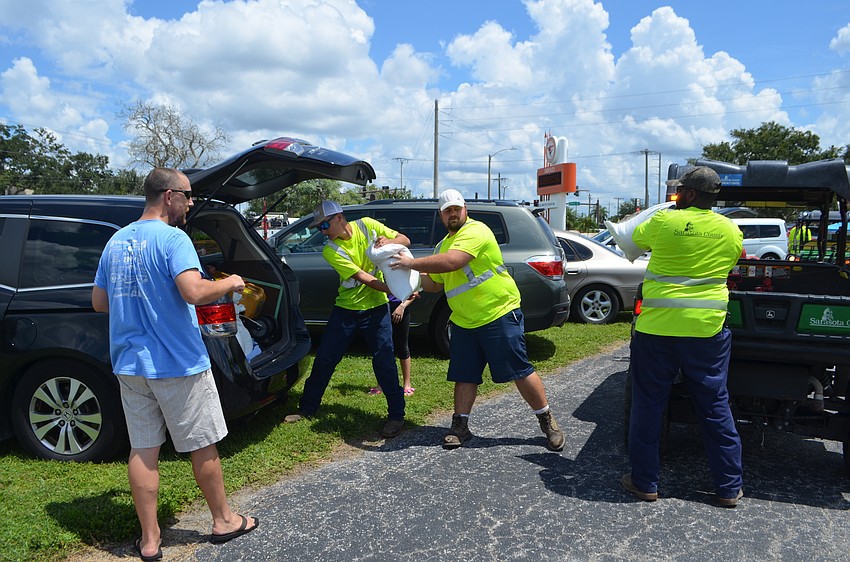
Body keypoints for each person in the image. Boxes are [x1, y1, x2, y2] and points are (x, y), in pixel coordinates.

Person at [92, 168, 258, 561]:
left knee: (143, 448)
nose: (191, 202)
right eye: (187, 195)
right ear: (169, 196)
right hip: (178, 363)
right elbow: (194, 291)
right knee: (202, 443)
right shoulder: (174, 239)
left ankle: (149, 541)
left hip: (130, 365)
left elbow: (100, 302)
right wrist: (231, 282)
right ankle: (224, 521)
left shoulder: (115, 241)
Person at [390, 189, 565, 451]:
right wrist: (400, 279)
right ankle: (460, 426)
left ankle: (547, 420)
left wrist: (411, 262)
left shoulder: (476, 231)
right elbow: (435, 284)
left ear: (465, 209)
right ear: (441, 215)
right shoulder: (441, 246)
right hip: (463, 321)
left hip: (498, 312)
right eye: (447, 210)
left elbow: (453, 262)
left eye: (456, 209)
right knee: (464, 374)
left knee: (519, 370)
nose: (453, 214)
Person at [622, 166, 744, 507]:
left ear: (689, 194)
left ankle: (645, 482)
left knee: (648, 404)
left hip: (657, 330)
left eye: (680, 191)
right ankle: (729, 488)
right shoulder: (731, 230)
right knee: (714, 404)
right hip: (706, 330)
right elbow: (730, 265)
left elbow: (633, 241)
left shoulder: (664, 221)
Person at [283, 200, 409, 438]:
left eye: (324, 224)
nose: (322, 231)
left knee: (384, 361)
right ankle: (307, 408)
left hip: (376, 309)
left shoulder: (368, 225)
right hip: (347, 310)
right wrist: (396, 290)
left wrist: (388, 242)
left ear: (339, 217)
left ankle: (396, 416)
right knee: (325, 360)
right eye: (318, 227)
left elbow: (405, 239)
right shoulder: (330, 249)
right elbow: (364, 277)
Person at [369, 292, 419, 396]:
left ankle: (407, 384)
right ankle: (380, 385)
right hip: (381, 306)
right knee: (382, 347)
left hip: (400, 307)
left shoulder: (406, 275)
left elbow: (414, 292)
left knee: (402, 346)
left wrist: (402, 306)